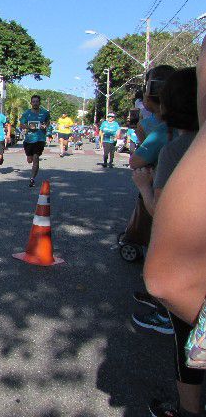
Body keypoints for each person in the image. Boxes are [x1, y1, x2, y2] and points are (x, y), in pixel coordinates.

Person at [129, 68, 202, 417]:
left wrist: (144, 186)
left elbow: (161, 212)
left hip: (193, 272)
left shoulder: (178, 149)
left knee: (189, 342)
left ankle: (187, 410)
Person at [19, 95, 50, 188]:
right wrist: (29, 127)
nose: (35, 103)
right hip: (29, 139)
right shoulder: (26, 113)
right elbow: (21, 125)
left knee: (36, 158)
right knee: (30, 160)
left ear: (39, 103)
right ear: (31, 103)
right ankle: (29, 156)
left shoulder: (45, 113)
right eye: (34, 101)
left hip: (40, 139)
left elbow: (48, 121)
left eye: (37, 101)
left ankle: (32, 178)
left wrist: (45, 126)